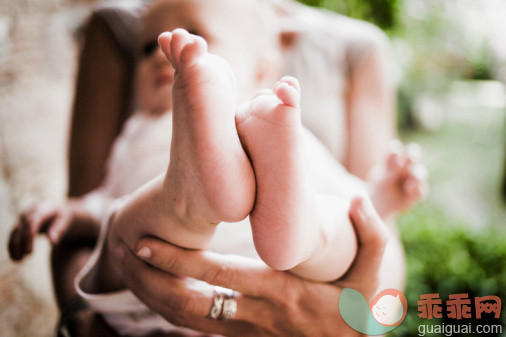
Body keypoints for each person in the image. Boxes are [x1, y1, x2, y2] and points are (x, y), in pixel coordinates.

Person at [9, 0, 426, 336]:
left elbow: (363, 218)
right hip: (150, 294)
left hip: (274, 303)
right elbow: (104, 200)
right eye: (146, 48)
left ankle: (300, 235)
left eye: (194, 35)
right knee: (126, 218)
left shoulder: (280, 127)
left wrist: (381, 196)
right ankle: (189, 200)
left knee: (339, 225)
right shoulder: (136, 132)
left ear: (262, 69)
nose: (160, 52)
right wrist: (71, 212)